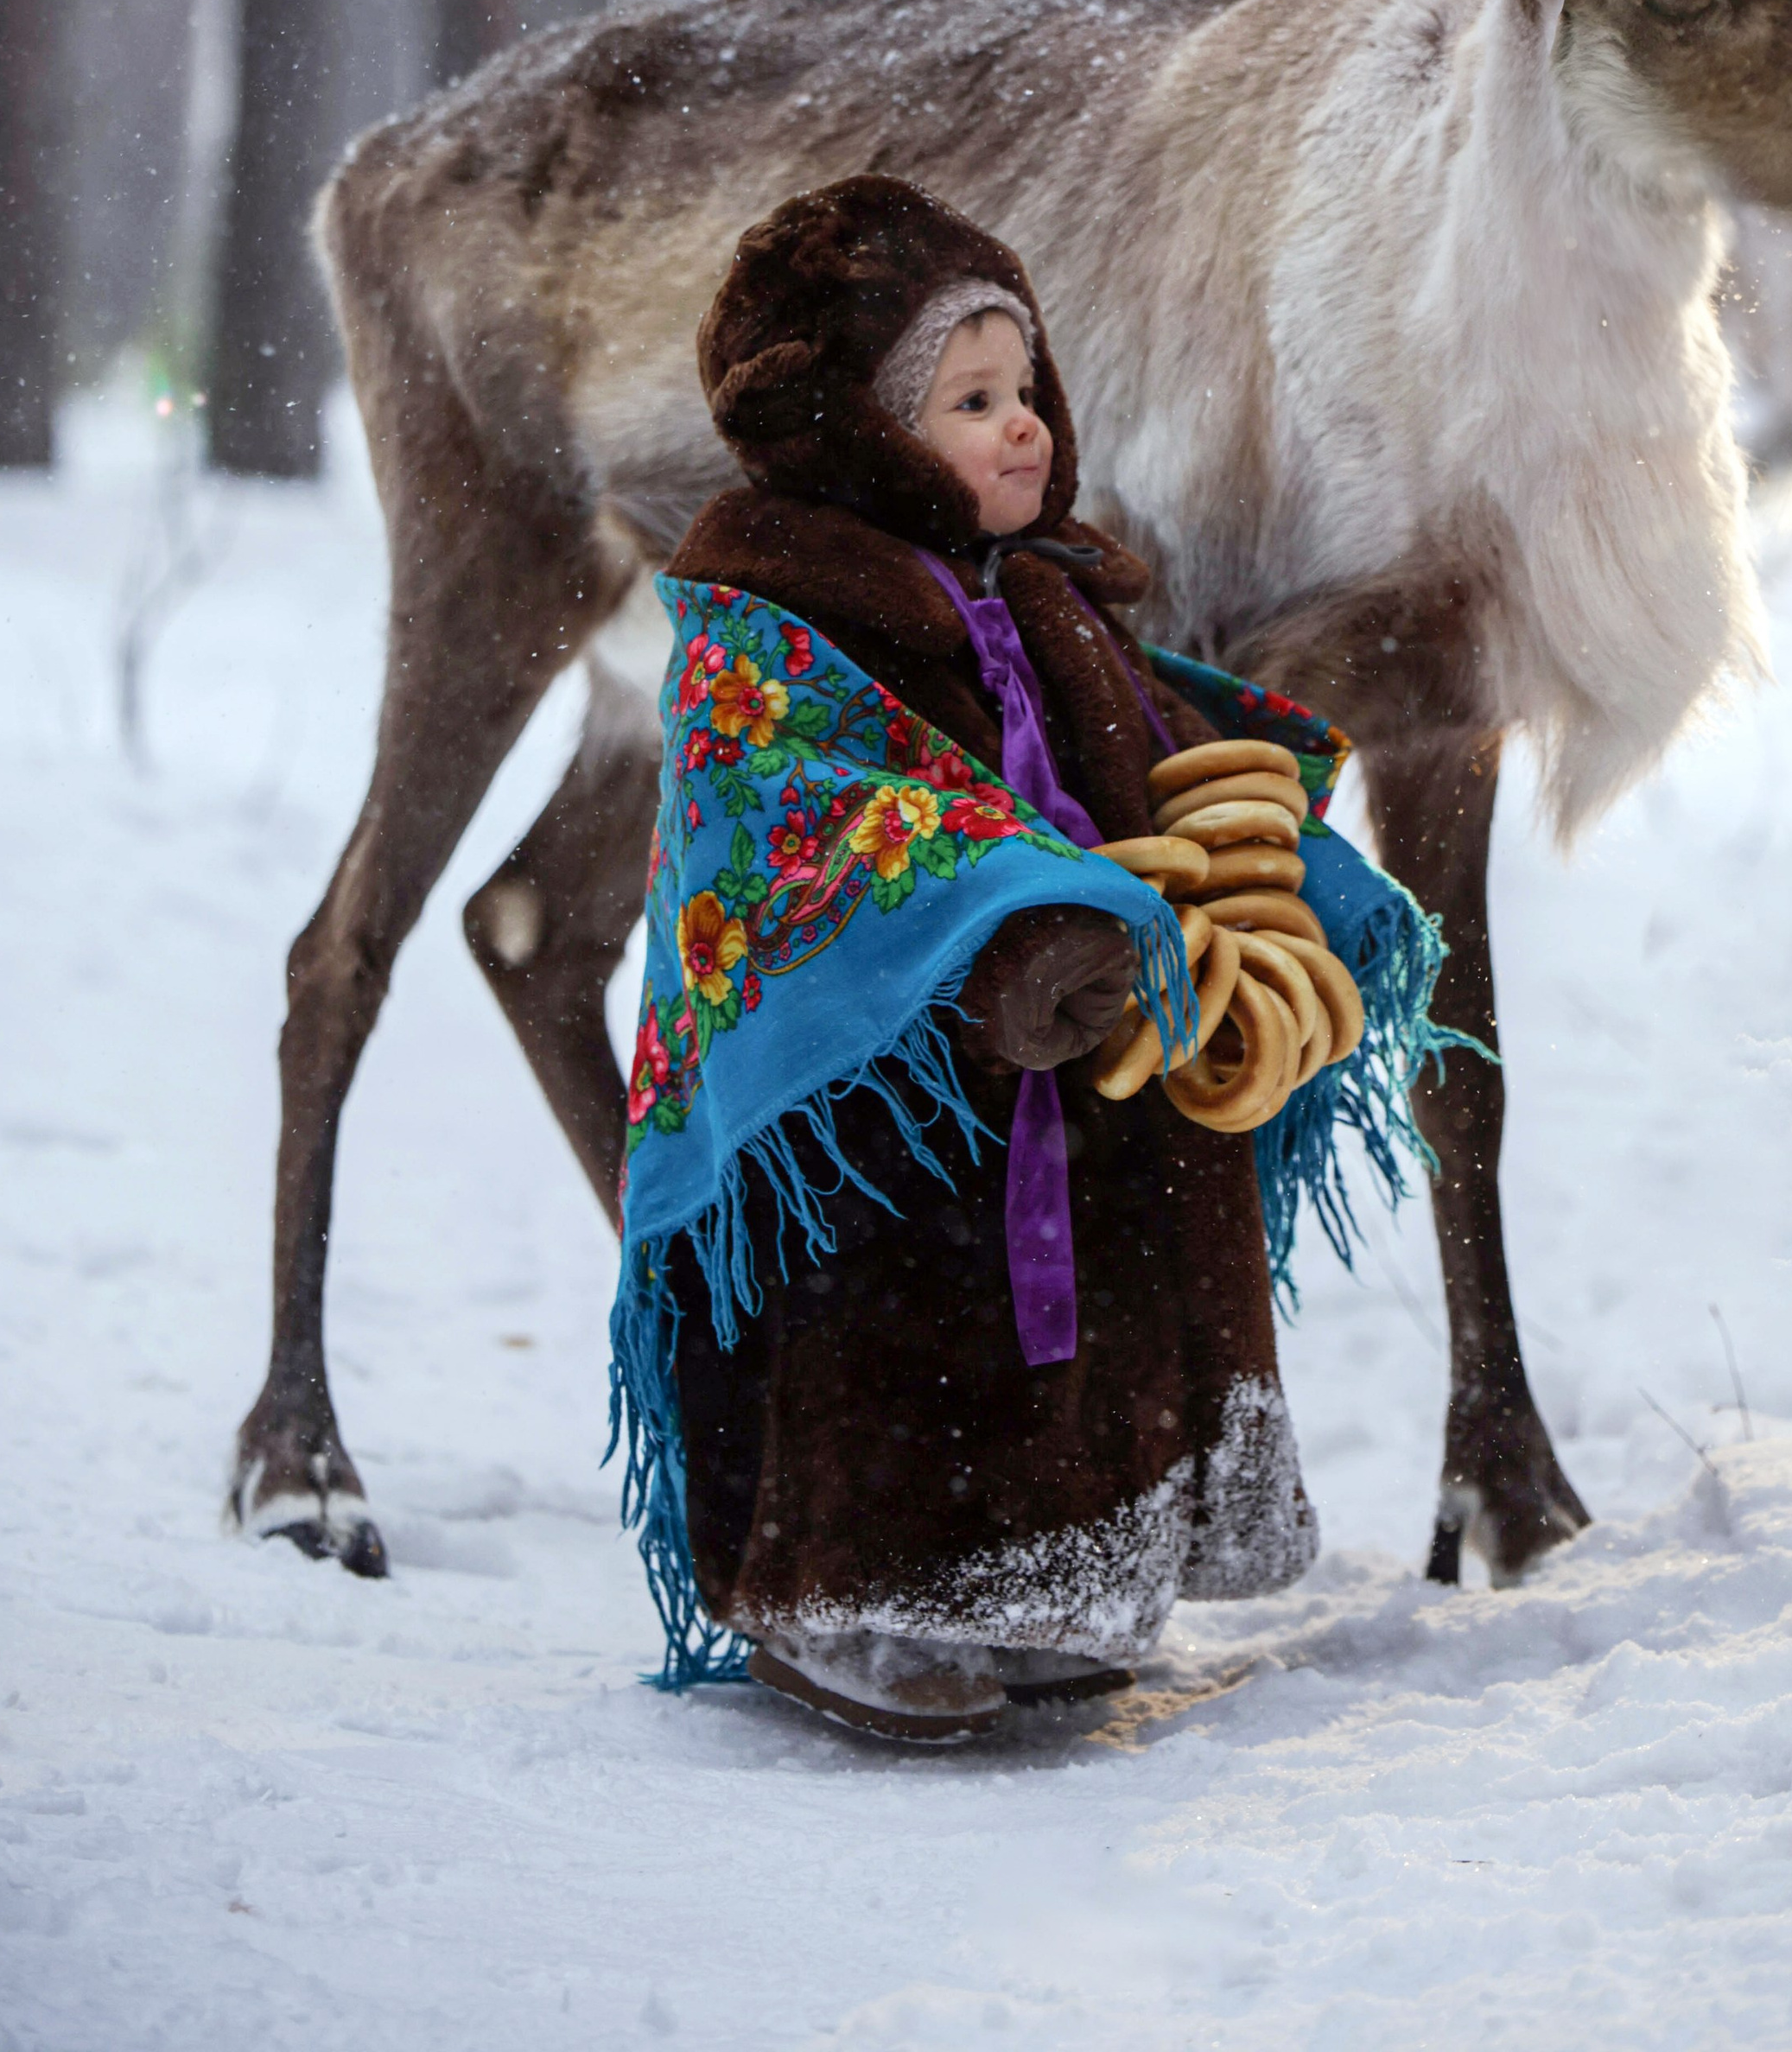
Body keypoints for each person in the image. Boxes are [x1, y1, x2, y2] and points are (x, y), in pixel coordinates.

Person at [609, 175, 1438, 1742]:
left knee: (1101, 1291)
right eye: (969, 400)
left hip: (1102, 1029)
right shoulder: (776, 621)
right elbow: (811, 805)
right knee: (907, 1311)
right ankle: (851, 1596)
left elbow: (1156, 737)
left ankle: (1063, 1581)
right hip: (903, 1079)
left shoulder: (1055, 590)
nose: (1022, 428)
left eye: (1025, 388)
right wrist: (1001, 923)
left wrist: (1259, 848)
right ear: (850, 429)